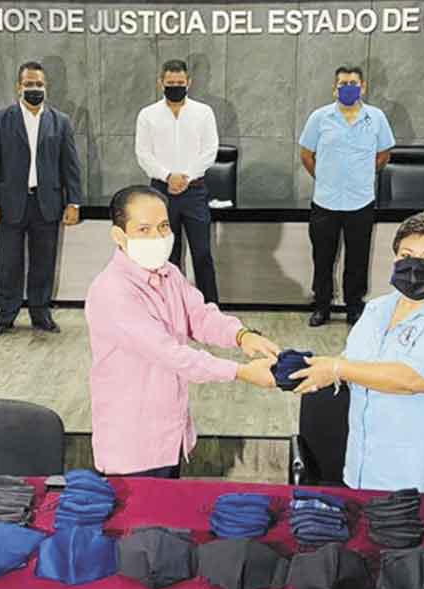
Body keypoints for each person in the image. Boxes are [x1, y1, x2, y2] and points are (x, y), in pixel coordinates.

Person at [85, 185, 280, 478]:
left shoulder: (169, 273)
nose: (157, 237)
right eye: (144, 229)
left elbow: (199, 316)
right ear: (119, 236)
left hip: (170, 433)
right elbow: (171, 354)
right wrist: (241, 372)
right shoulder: (112, 291)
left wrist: (242, 336)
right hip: (133, 443)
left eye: (163, 227)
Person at [290, 212, 424, 493]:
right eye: (406, 255)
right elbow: (352, 362)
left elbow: (413, 379)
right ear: (395, 258)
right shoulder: (377, 309)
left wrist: (337, 369)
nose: (415, 265)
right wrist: (308, 368)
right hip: (363, 470)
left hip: (423, 478)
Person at [0, 61, 83, 337]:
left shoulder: (60, 121)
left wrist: (73, 202)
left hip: (46, 203)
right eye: (29, 84)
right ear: (18, 86)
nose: (34, 89)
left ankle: (40, 312)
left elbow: (70, 165)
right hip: (10, 203)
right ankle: (6, 314)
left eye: (39, 84)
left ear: (45, 87)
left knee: (44, 261)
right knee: (8, 262)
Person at [299, 65, 395, 327]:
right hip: (325, 201)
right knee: (322, 257)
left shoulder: (376, 118)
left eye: (353, 83)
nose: (348, 88)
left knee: (357, 258)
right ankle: (322, 306)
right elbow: (306, 155)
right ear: (334, 88)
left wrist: (363, 175)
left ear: (363, 87)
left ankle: (354, 306)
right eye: (343, 84)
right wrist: (324, 177)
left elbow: (383, 154)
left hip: (360, 201)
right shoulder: (320, 117)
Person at [135, 58, 220, 303]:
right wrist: (167, 176)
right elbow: (143, 154)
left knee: (202, 254)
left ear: (188, 82)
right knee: (165, 256)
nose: (175, 87)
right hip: (161, 194)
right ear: (160, 83)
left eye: (180, 83)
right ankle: (169, 306)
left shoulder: (203, 112)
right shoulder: (148, 115)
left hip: (194, 192)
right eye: (170, 83)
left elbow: (210, 150)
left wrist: (186, 177)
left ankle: (209, 308)